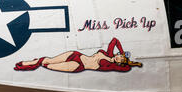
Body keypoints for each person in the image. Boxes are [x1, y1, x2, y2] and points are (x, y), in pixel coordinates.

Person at [14, 37, 142, 73]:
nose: (118, 56)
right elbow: (115, 40)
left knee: (48, 66)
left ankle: (30, 64)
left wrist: (132, 63)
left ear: (119, 62)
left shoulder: (111, 66)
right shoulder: (109, 54)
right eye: (119, 55)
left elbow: (126, 68)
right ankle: (29, 63)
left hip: (78, 65)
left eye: (120, 58)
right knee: (49, 60)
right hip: (77, 55)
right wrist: (122, 49)